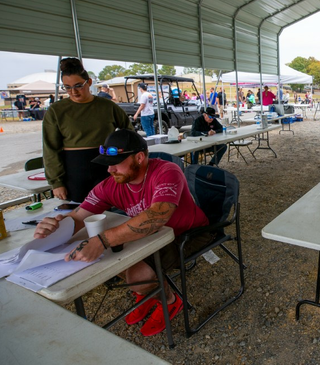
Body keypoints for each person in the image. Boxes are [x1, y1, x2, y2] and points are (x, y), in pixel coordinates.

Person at [33, 129, 211, 337]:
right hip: (151, 236)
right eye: (108, 163)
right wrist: (57, 226)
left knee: (136, 275)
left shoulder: (167, 171)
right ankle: (148, 291)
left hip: (189, 233)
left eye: (116, 163)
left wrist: (102, 240)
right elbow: (79, 216)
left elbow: (157, 215)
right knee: (110, 261)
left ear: (139, 157)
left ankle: (170, 301)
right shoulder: (111, 184)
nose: (110, 169)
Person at [43, 57, 133, 202]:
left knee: (113, 209)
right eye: (67, 87)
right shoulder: (56, 111)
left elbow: (130, 134)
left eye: (78, 85)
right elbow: (50, 149)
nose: (74, 91)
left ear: (89, 82)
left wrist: (126, 160)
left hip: (107, 166)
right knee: (79, 211)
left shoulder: (107, 106)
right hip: (74, 170)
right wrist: (56, 182)